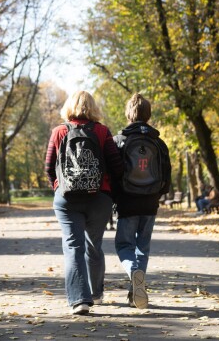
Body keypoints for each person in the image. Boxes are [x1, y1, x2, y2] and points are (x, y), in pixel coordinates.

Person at [45, 90, 124, 316]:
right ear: (93, 108)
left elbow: (49, 167)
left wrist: (59, 187)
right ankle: (96, 294)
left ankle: (79, 300)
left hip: (67, 198)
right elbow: (116, 166)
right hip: (99, 198)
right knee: (93, 246)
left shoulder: (59, 132)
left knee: (73, 246)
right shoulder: (102, 131)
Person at [113, 93, 171, 309]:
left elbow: (114, 172)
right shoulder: (159, 142)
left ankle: (132, 272)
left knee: (124, 244)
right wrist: (157, 194)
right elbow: (166, 173)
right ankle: (135, 291)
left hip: (127, 202)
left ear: (129, 113)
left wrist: (115, 198)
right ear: (148, 114)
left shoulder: (120, 141)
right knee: (142, 247)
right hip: (150, 202)